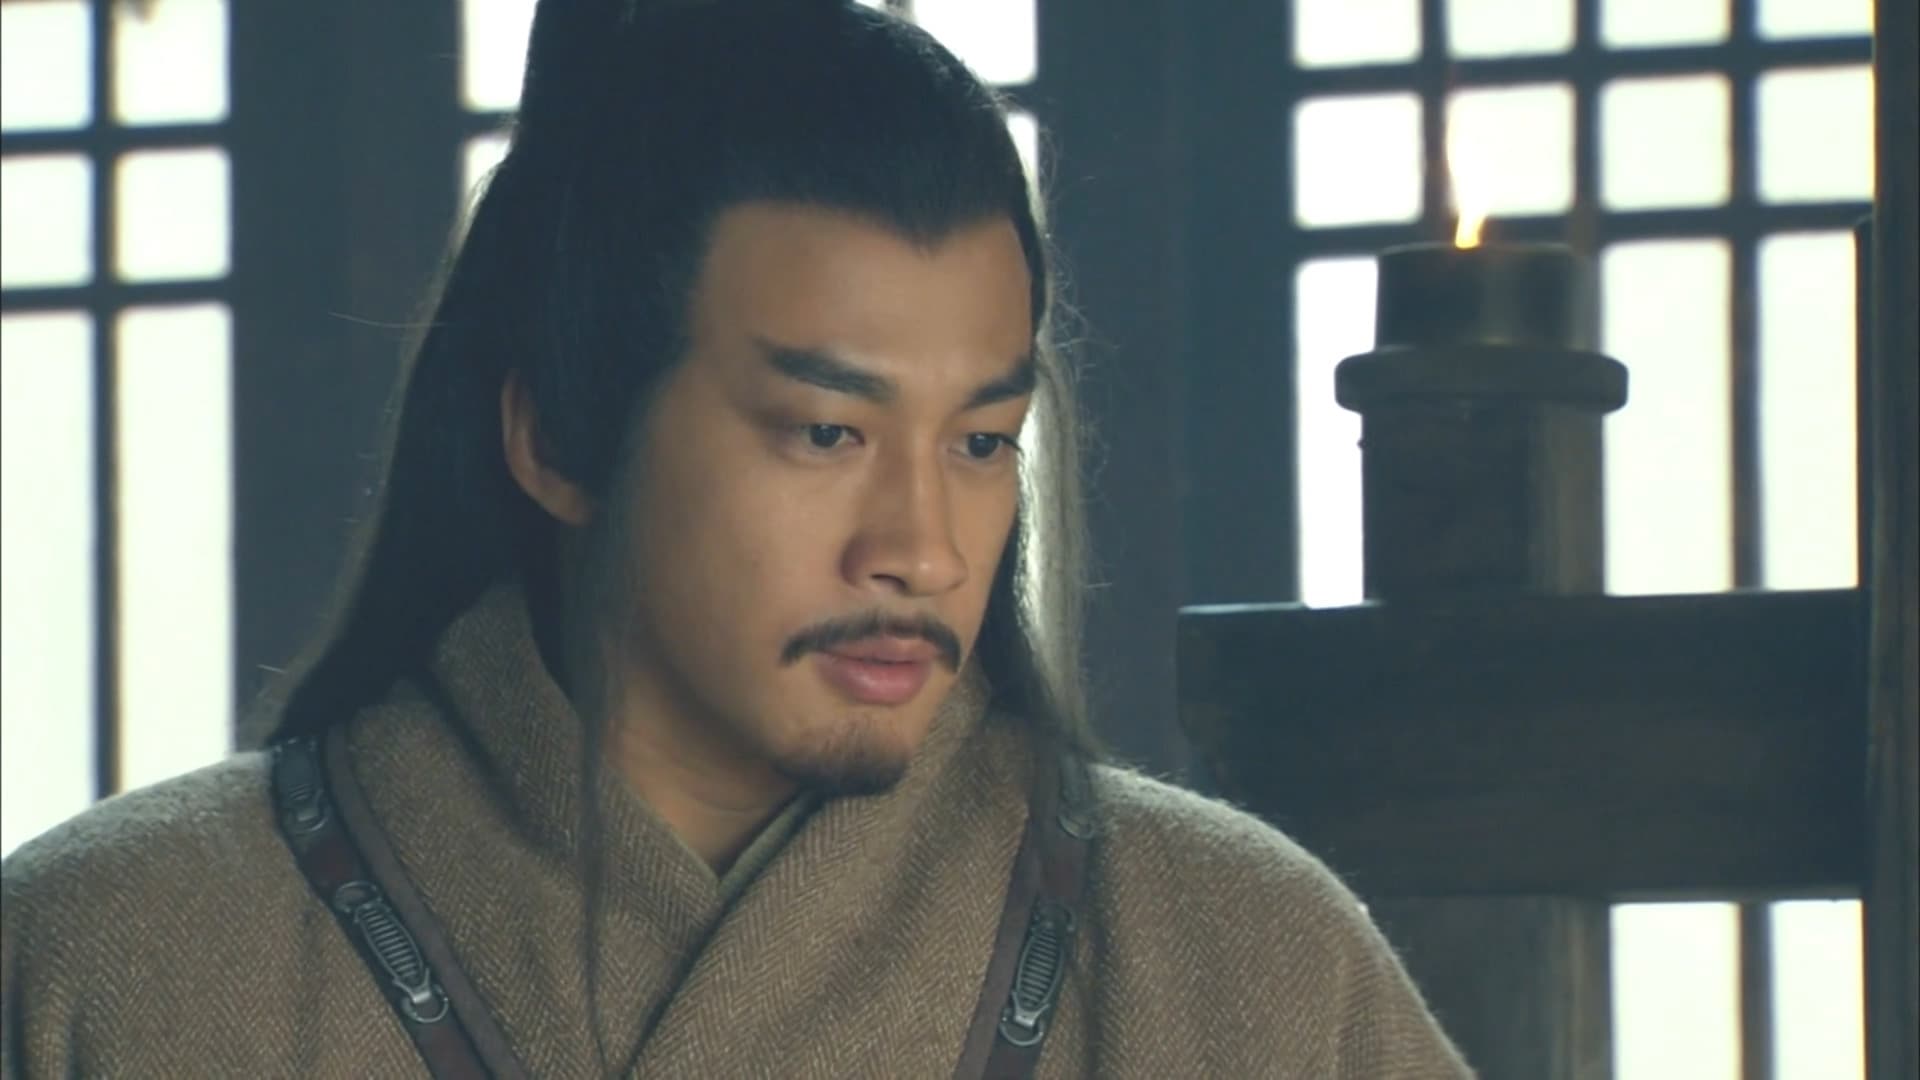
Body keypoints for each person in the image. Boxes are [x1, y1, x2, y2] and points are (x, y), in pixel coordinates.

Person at [2, 1, 1473, 1076]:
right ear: (560, 438)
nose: (922, 550)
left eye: (978, 443)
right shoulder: (120, 960)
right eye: (826, 433)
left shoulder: (1243, 967)